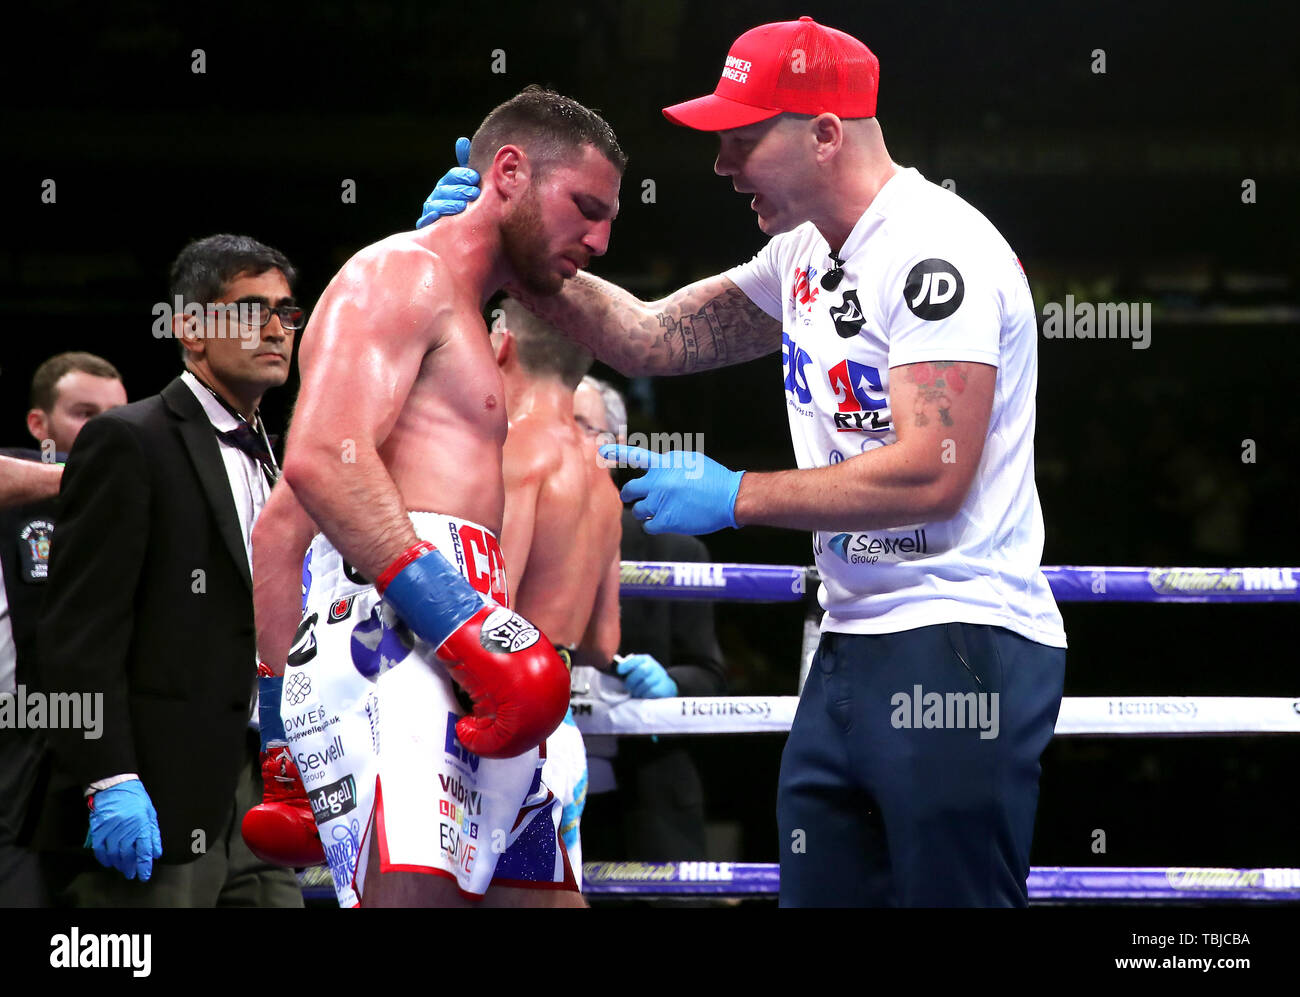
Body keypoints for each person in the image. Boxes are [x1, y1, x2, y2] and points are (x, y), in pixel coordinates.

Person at [419, 17, 1067, 907]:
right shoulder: (806, 253)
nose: (722, 164)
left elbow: (933, 470)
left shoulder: (933, 251)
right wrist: (499, 241)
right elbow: (652, 335)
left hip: (957, 637)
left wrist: (737, 496)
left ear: (827, 133)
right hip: (850, 642)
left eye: (742, 139)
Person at [249, 85, 623, 908]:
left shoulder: (471, 319)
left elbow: (278, 528)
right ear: (511, 172)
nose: (596, 240)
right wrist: (460, 626)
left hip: (476, 636)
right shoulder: (398, 274)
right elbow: (318, 460)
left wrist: (279, 729)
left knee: (544, 897)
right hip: (397, 638)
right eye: (585, 208)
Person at [32, 234, 305, 907]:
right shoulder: (132, 439)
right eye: (250, 310)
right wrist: (108, 776)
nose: (275, 329)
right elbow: (77, 633)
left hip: (262, 783)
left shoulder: (279, 457)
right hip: (159, 784)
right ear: (190, 327)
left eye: (286, 311)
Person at [491, 298, 623, 885]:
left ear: (502, 346)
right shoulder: (602, 479)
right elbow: (603, 643)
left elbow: (493, 612)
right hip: (563, 738)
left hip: (504, 733)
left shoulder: (521, 450)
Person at [572, 377, 726, 862]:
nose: (559, 439)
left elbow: (709, 675)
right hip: (529, 793)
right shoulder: (493, 541)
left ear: (615, 447)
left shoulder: (673, 549)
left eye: (577, 425)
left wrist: (671, 686)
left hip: (644, 793)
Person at [0, 353, 127, 906]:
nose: (102, 431)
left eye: (115, 417)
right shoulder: (21, 473)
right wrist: (83, 477)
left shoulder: (132, 496)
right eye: (84, 414)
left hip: (86, 732)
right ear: (39, 424)